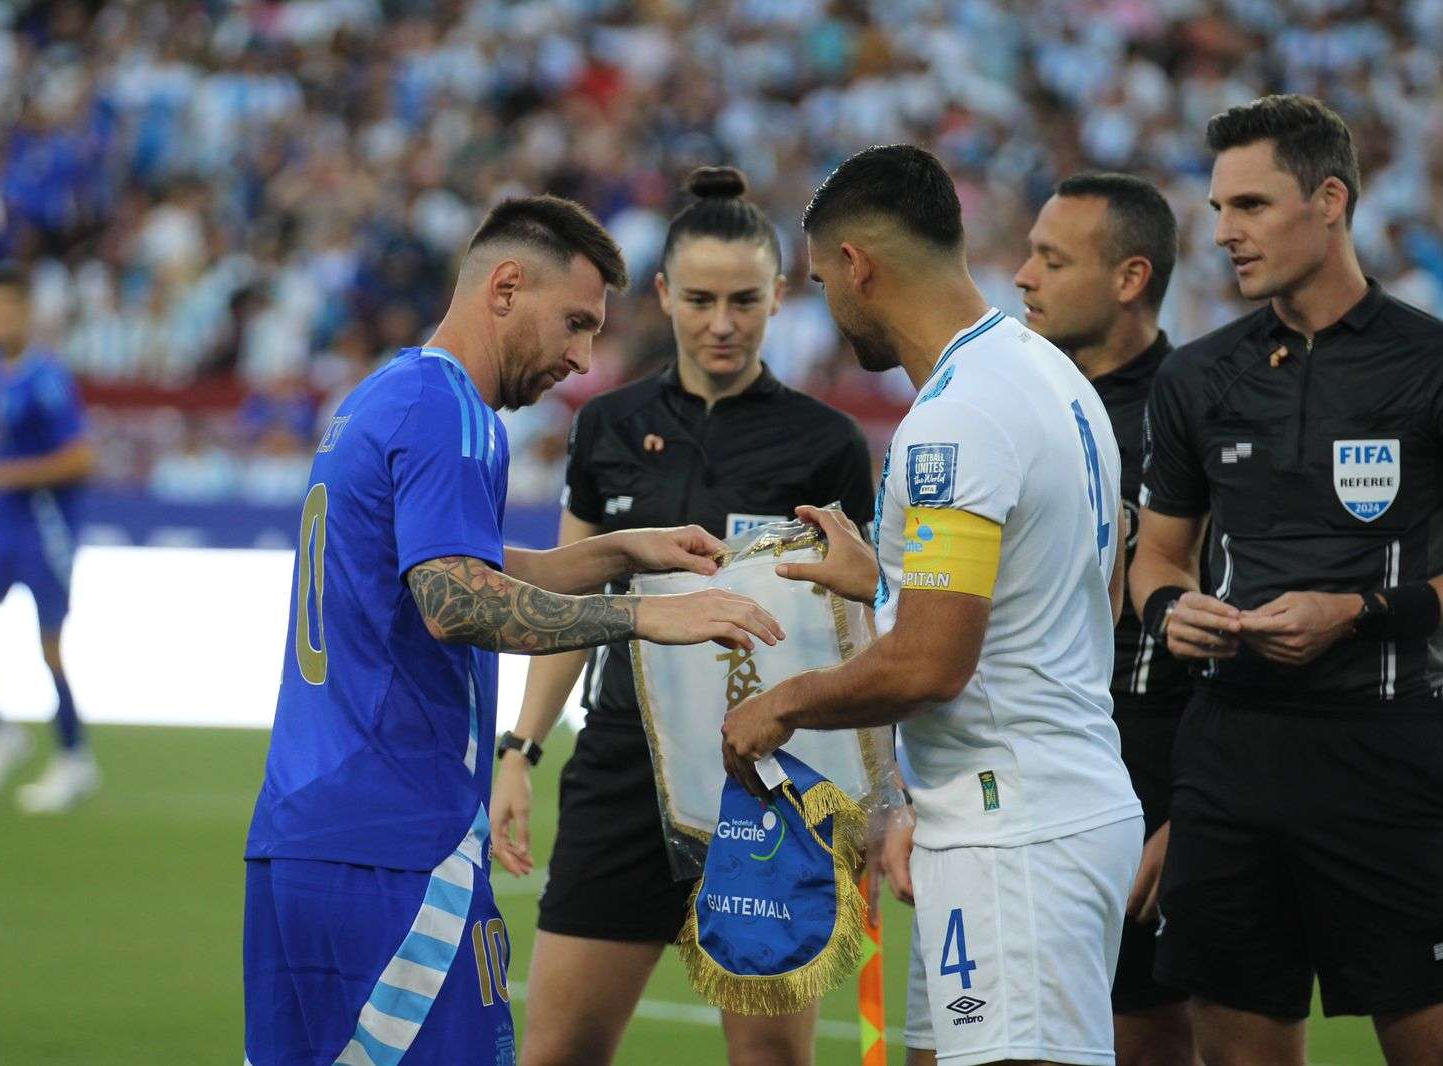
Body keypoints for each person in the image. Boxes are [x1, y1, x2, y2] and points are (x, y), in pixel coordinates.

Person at [241, 194, 786, 1066]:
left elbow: (452, 563)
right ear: (504, 288)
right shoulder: (453, 410)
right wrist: (648, 616)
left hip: (302, 837)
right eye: (574, 323)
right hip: (398, 843)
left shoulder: (385, 393)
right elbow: (454, 601)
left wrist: (614, 552)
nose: (580, 357)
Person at [720, 144, 1143, 1066]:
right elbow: (1074, 595)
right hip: (1016, 809)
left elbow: (928, 665)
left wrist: (777, 707)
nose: (826, 303)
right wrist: (887, 582)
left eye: (823, 278)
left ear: (859, 267)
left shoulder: (957, 417)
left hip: (1019, 831)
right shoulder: (1046, 372)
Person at [491, 166, 875, 1066]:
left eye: (745, 299)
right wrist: (522, 749)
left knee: (769, 1061)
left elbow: (860, 628)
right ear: (663, 294)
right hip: (620, 765)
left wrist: (865, 807)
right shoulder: (608, 425)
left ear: (780, 296)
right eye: (700, 299)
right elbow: (569, 600)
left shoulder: (826, 444)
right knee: (555, 1054)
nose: (723, 322)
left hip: (770, 782)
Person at [1131, 94, 1443, 1066]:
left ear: (1331, 200)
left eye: (1252, 205)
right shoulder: (1198, 377)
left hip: (1387, 756)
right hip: (1230, 761)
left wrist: (1355, 613)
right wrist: (1172, 613)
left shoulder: (1428, 364)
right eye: (1219, 207)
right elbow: (1158, 555)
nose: (1223, 232)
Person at [1013, 172, 1196, 1066]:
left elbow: (1224, 617)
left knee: (1144, 1034)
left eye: (1051, 258)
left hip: (1152, 764)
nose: (1023, 276)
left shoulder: (1195, 407)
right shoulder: (1019, 401)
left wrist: (1192, 808)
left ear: (1129, 278)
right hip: (1024, 765)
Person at [0, 270, 99, 813]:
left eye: (5, 312)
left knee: (50, 648)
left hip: (44, 528)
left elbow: (82, 458)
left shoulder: (47, 378)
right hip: (1, 527)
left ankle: (75, 757)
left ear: (25, 315)